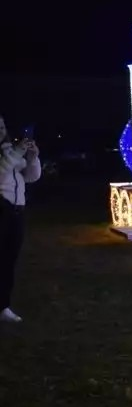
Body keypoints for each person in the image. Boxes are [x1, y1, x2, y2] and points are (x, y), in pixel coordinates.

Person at [0, 115, 41, 323]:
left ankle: (3, 306)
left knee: (9, 261)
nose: (0, 130)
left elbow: (31, 177)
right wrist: (17, 152)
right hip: (2, 209)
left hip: (17, 210)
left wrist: (33, 157)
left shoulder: (9, 150)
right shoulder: (11, 152)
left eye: (1, 126)